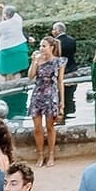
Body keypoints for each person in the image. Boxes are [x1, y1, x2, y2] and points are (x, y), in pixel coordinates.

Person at [28, 36, 65, 168]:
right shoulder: (37, 60)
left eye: (44, 46)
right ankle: (40, 155)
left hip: (51, 95)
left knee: (50, 127)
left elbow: (60, 82)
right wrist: (34, 62)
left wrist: (62, 103)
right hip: (38, 94)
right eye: (40, 46)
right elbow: (30, 76)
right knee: (37, 128)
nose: (41, 48)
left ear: (52, 47)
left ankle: (51, 155)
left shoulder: (59, 62)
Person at [0, 5, 30, 77]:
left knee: (2, 73)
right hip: (20, 46)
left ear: (5, 15)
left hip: (7, 49)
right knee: (17, 71)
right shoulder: (18, 19)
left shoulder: (3, 25)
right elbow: (13, 13)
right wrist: (4, 8)